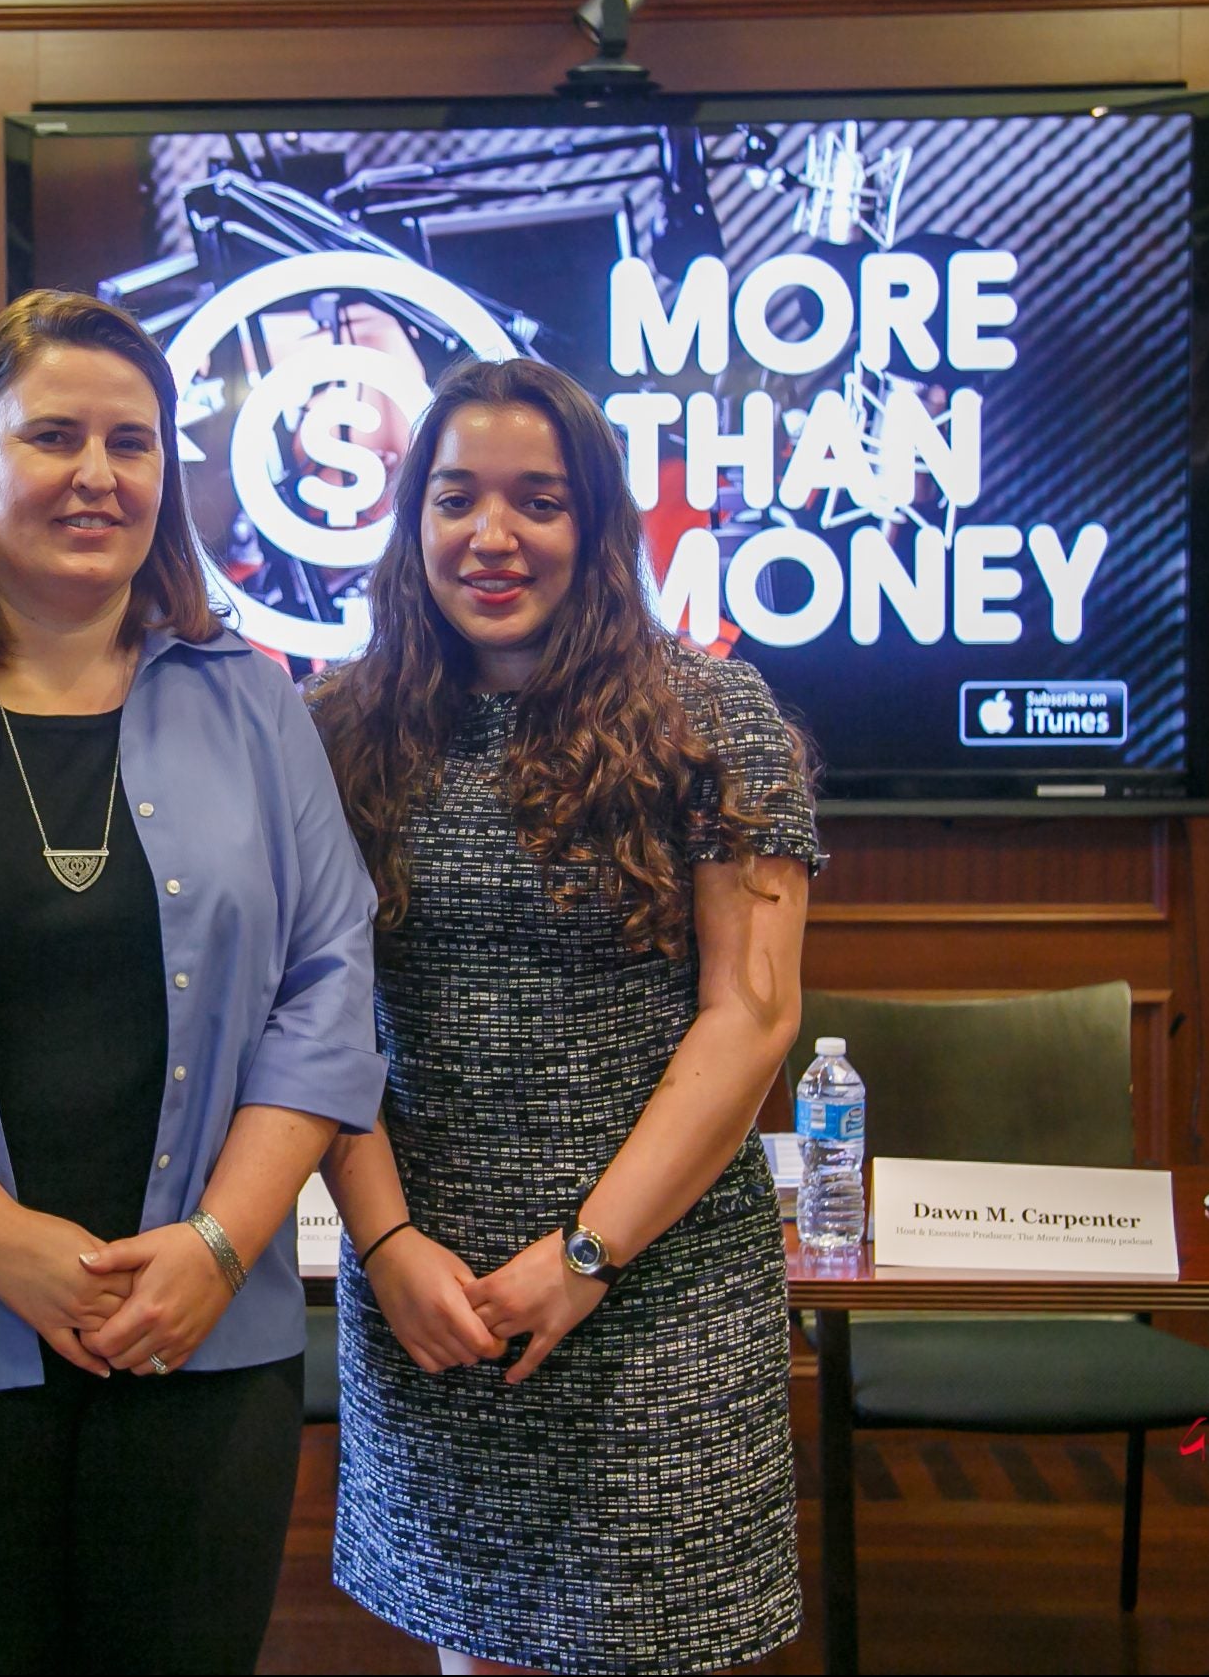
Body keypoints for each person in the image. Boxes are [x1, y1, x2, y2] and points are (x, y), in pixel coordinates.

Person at [0, 288, 382, 1673]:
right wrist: (8, 1248)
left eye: (135, 440)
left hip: (201, 1333)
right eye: (54, 434)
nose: (99, 474)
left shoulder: (252, 699)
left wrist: (222, 1245)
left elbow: (327, 985)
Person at [310, 356, 818, 1675]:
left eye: (536, 500)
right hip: (433, 1296)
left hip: (652, 1285)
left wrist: (584, 1256)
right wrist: (386, 1244)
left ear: (595, 526)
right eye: (454, 496)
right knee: (477, 1651)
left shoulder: (714, 714)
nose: (490, 535)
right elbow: (307, 1016)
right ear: (409, 515)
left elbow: (752, 1014)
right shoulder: (338, 725)